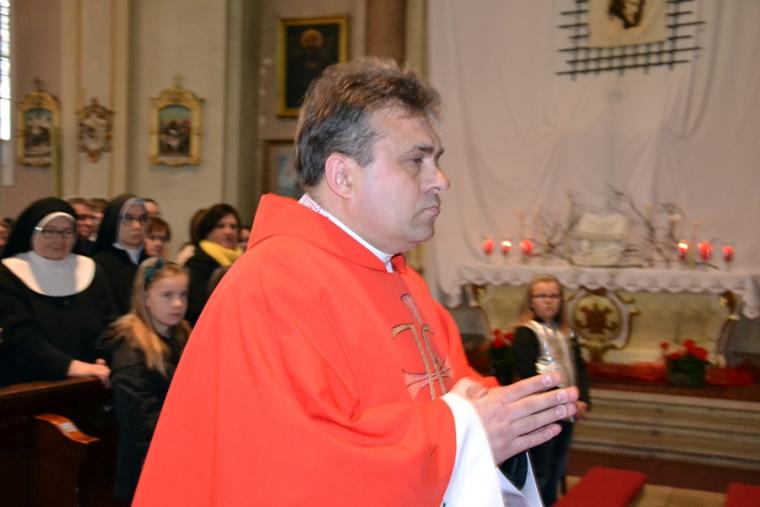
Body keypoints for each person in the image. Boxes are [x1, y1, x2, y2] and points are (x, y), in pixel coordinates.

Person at [133, 58, 578, 506]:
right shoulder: (271, 288)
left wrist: (506, 417)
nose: (440, 180)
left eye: (437, 160)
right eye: (417, 160)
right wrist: (466, 433)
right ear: (343, 176)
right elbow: (301, 469)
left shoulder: (403, 280)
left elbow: (453, 394)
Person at [100, 257, 190, 504]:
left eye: (183, 294)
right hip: (148, 468)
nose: (178, 303)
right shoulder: (131, 350)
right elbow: (141, 424)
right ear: (145, 296)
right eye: (167, 295)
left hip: (180, 455)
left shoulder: (184, 335)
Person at [0, 197, 116, 386]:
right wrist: (71, 367)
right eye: (49, 231)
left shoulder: (91, 269)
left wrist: (104, 357)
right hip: (31, 384)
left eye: (67, 232)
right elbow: (20, 337)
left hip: (94, 376)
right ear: (30, 231)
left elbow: (111, 324)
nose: (59, 239)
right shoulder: (8, 273)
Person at [512, 275, 591, 506]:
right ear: (531, 301)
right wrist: (566, 400)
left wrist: (583, 398)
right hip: (542, 411)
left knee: (558, 466)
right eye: (542, 296)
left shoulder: (566, 332)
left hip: (567, 409)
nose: (548, 301)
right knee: (541, 469)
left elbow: (578, 367)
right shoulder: (526, 332)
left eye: (554, 296)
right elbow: (528, 372)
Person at [184, 203, 242, 325]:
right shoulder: (197, 263)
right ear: (208, 232)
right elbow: (195, 309)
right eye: (220, 226)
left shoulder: (243, 262)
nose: (228, 232)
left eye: (233, 227)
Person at [92, 194, 148, 314]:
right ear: (113, 221)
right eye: (128, 218)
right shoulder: (99, 264)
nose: (137, 226)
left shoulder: (153, 264)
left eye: (142, 219)